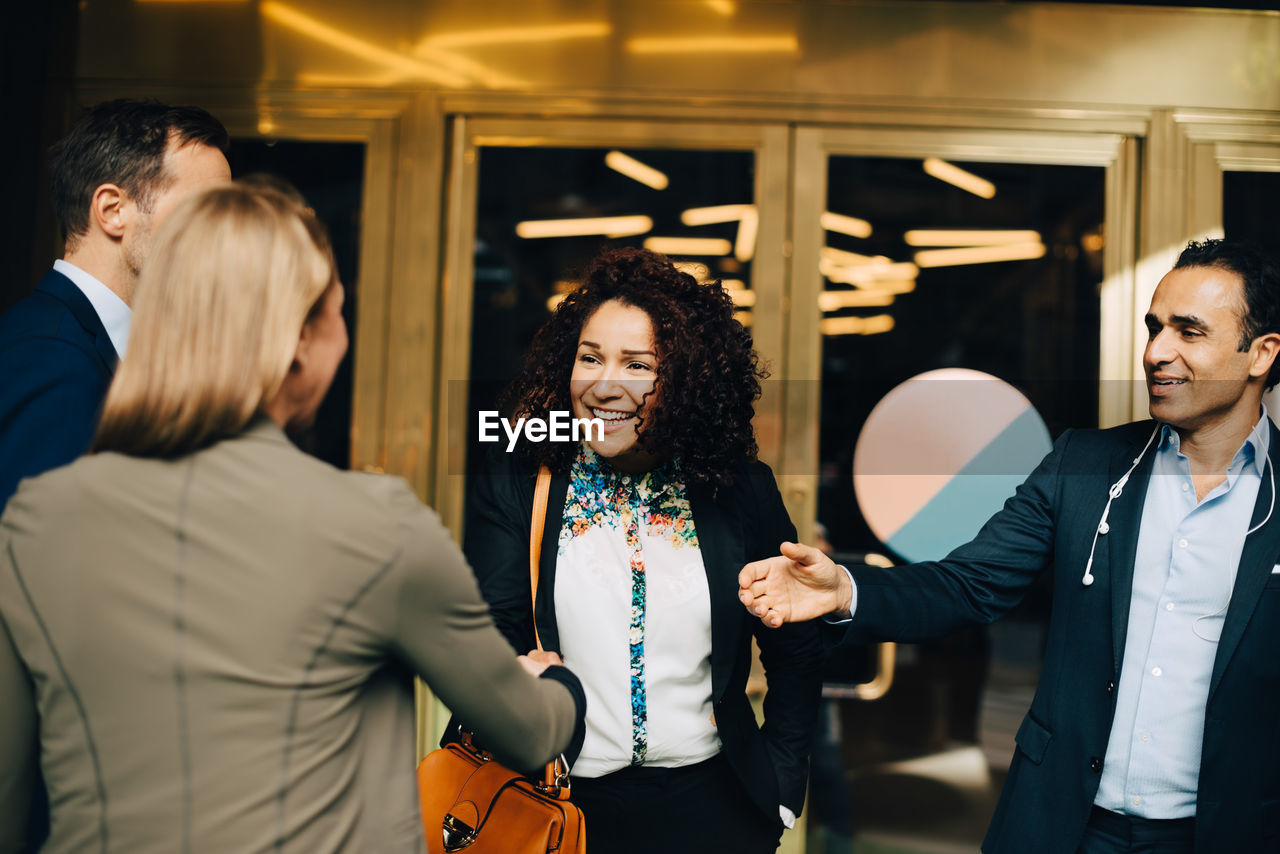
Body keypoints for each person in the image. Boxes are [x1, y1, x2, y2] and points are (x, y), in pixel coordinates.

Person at [0, 182, 586, 853]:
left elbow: (10, 789)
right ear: (301, 341)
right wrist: (557, 684)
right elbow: (527, 731)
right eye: (340, 310)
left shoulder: (39, 520)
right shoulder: (373, 524)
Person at [739, 237, 1280, 854]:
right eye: (1154, 328)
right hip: (1064, 822)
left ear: (1260, 353)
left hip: (1222, 833)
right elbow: (969, 583)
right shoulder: (1086, 463)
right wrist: (845, 587)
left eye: (1190, 332)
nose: (1157, 352)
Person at [464, 247, 823, 854]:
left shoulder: (737, 486)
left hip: (712, 808)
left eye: (637, 365)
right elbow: (488, 629)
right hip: (556, 802)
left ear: (685, 378)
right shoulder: (521, 474)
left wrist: (783, 785)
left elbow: (794, 645)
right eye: (590, 358)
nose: (606, 385)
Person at [0, 98, 232, 508]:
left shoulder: (91, 344)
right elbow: (37, 559)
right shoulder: (52, 357)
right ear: (112, 210)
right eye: (204, 209)